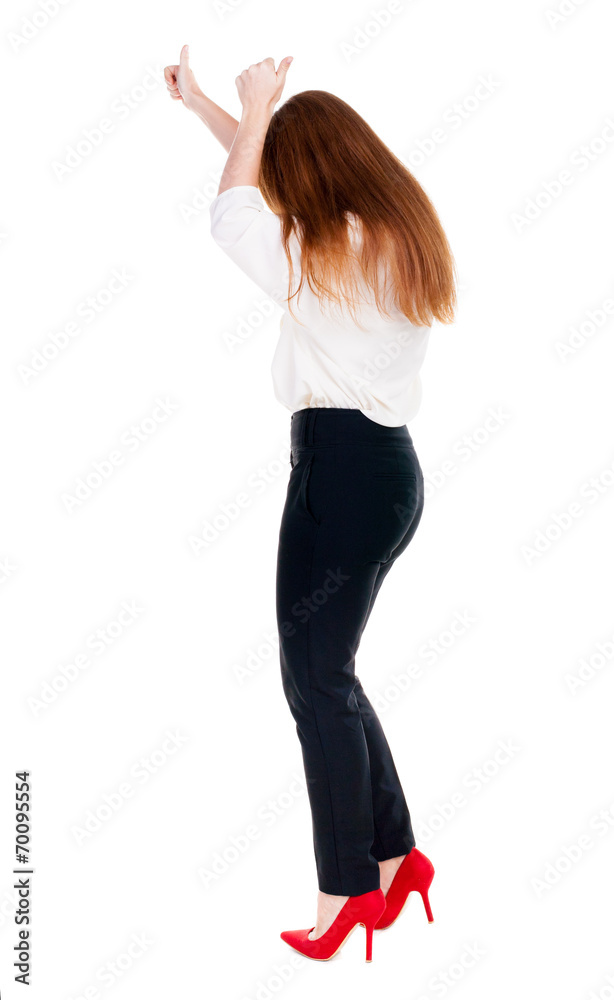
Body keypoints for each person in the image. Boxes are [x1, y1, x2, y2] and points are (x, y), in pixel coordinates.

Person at [164, 46, 457, 963]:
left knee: (315, 682)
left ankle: (347, 895)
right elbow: (255, 187)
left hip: (338, 475)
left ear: (309, 179)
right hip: (388, 474)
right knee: (329, 674)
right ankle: (396, 858)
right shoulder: (384, 233)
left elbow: (233, 214)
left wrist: (254, 109)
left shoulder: (323, 253)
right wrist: (210, 108)